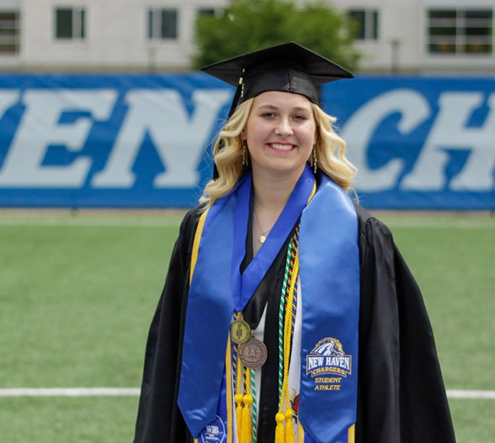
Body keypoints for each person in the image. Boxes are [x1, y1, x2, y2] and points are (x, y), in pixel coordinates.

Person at [133, 42, 455, 443]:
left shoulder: (359, 237)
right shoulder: (199, 231)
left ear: (316, 133)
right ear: (242, 128)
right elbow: (169, 356)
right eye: (268, 114)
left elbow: (387, 369)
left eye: (299, 117)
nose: (284, 129)